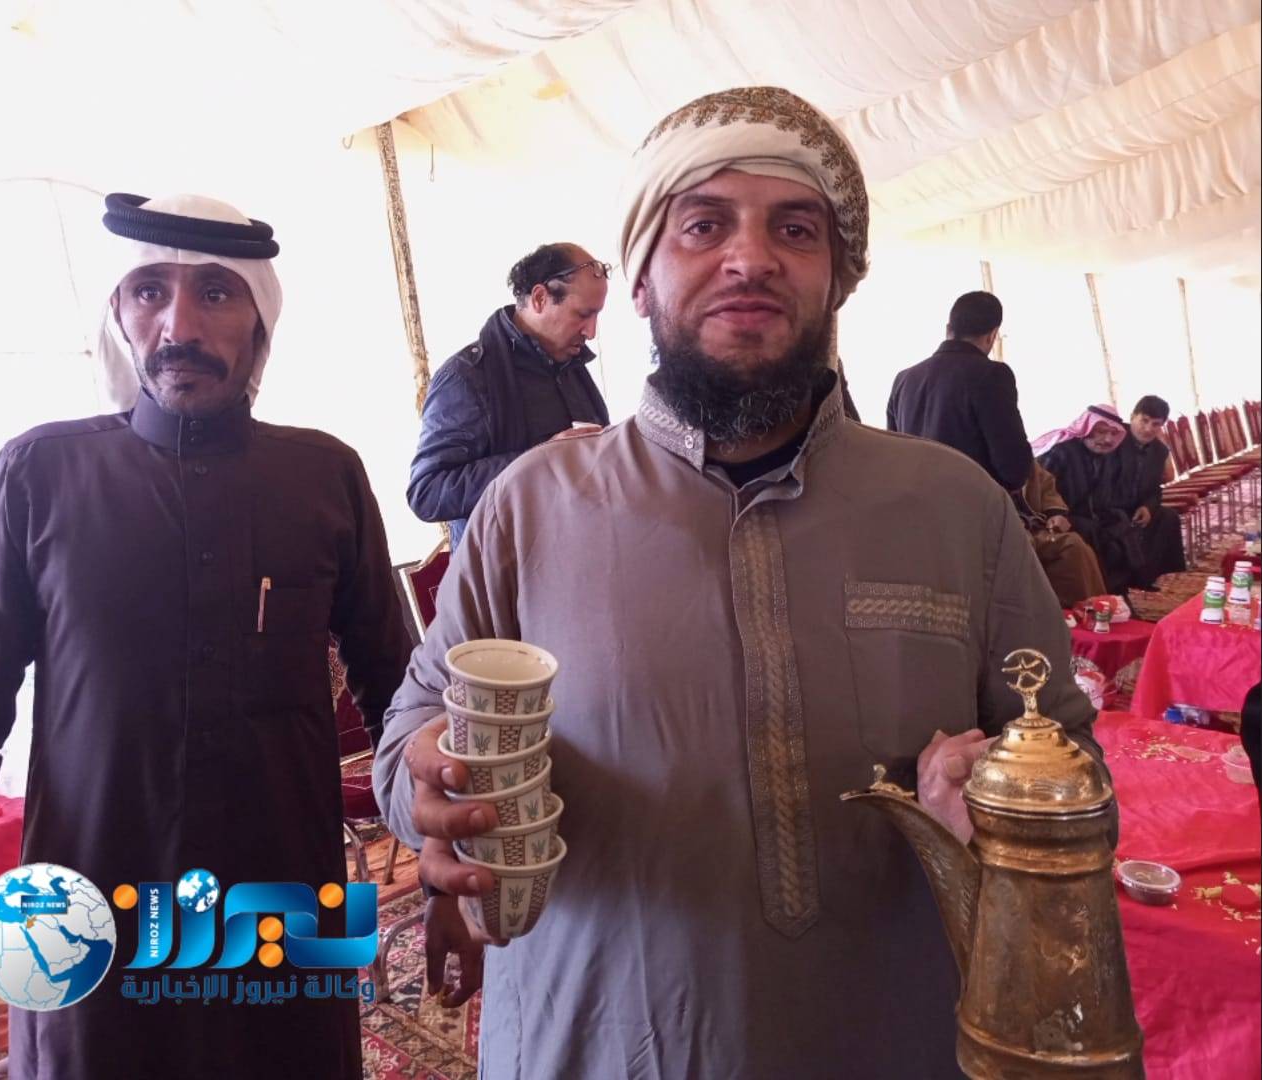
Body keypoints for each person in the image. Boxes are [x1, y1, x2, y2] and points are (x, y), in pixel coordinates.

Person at [374, 87, 1098, 1079]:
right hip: (602, 1044)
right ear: (639, 280)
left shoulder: (953, 504)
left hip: (899, 1039)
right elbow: (408, 735)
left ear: (837, 278)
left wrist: (1006, 805)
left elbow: (1069, 752)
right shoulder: (531, 505)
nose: (750, 258)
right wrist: (431, 786)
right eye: (703, 225)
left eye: (794, 229)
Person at [0, 193, 411, 1080]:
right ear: (118, 314)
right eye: (149, 291)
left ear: (259, 320)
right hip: (83, 917)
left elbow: (399, 694)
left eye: (215, 293)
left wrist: (446, 864)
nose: (179, 325)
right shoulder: (38, 474)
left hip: (282, 908)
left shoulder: (325, 476)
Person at [407, 243, 610, 548]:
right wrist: (539, 462)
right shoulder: (466, 377)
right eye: (583, 314)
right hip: (505, 571)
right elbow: (427, 492)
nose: (591, 332)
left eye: (597, 315)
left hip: (581, 555)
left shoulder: (570, 363)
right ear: (540, 298)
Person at [886, 290, 1032, 491]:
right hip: (970, 504)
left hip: (914, 503)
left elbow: (894, 455)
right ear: (992, 336)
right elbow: (1014, 468)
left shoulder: (903, 379)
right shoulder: (992, 375)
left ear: (948, 328)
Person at [1034, 404, 1171, 593]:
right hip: (1061, 518)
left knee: (1122, 528)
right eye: (1101, 432)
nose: (1108, 440)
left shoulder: (1107, 456)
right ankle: (1102, 594)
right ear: (1086, 428)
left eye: (1114, 434)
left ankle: (1123, 590)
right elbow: (1039, 492)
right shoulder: (1060, 452)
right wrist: (1056, 513)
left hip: (1095, 516)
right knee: (1097, 534)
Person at [1112, 395, 1187, 585]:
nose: (1148, 429)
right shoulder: (1114, 441)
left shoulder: (1159, 451)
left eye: (1155, 424)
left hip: (1137, 507)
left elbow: (1155, 489)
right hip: (1110, 506)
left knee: (1168, 517)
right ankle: (1129, 579)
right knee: (1120, 525)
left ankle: (1150, 576)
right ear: (1132, 417)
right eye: (1144, 421)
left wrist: (1148, 507)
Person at [1015, 461, 1109, 606]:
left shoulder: (1024, 460)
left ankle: (1088, 611)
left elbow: (1047, 489)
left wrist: (1055, 515)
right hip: (1003, 533)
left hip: (1036, 530)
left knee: (1074, 545)